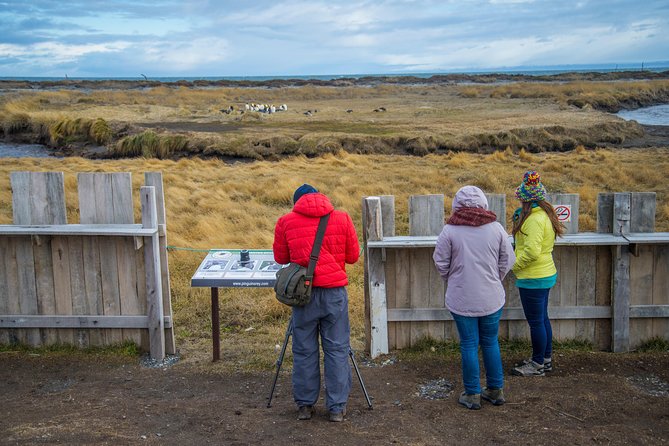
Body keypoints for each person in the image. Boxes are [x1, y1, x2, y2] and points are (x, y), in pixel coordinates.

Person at [272, 183, 360, 422]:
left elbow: (281, 257)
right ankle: (337, 408)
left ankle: (305, 406)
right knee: (337, 350)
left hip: (303, 295)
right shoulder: (341, 218)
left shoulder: (285, 221)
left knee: (303, 350)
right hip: (334, 295)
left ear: (297, 202)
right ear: (321, 197)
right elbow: (352, 257)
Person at [433, 186, 515, 410]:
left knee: (469, 344)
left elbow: (440, 262)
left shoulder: (450, 230)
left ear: (457, 205)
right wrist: (494, 278)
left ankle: (472, 394)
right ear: (483, 203)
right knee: (490, 341)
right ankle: (495, 390)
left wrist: (453, 279)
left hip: (461, 298)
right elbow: (508, 259)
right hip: (491, 297)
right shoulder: (496, 228)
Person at [511, 171, 565, 377]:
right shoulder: (544, 215)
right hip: (544, 273)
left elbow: (532, 252)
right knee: (542, 319)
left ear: (525, 199)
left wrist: (514, 266)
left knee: (536, 322)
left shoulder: (534, 219)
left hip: (533, 277)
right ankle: (545, 359)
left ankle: (536, 365)